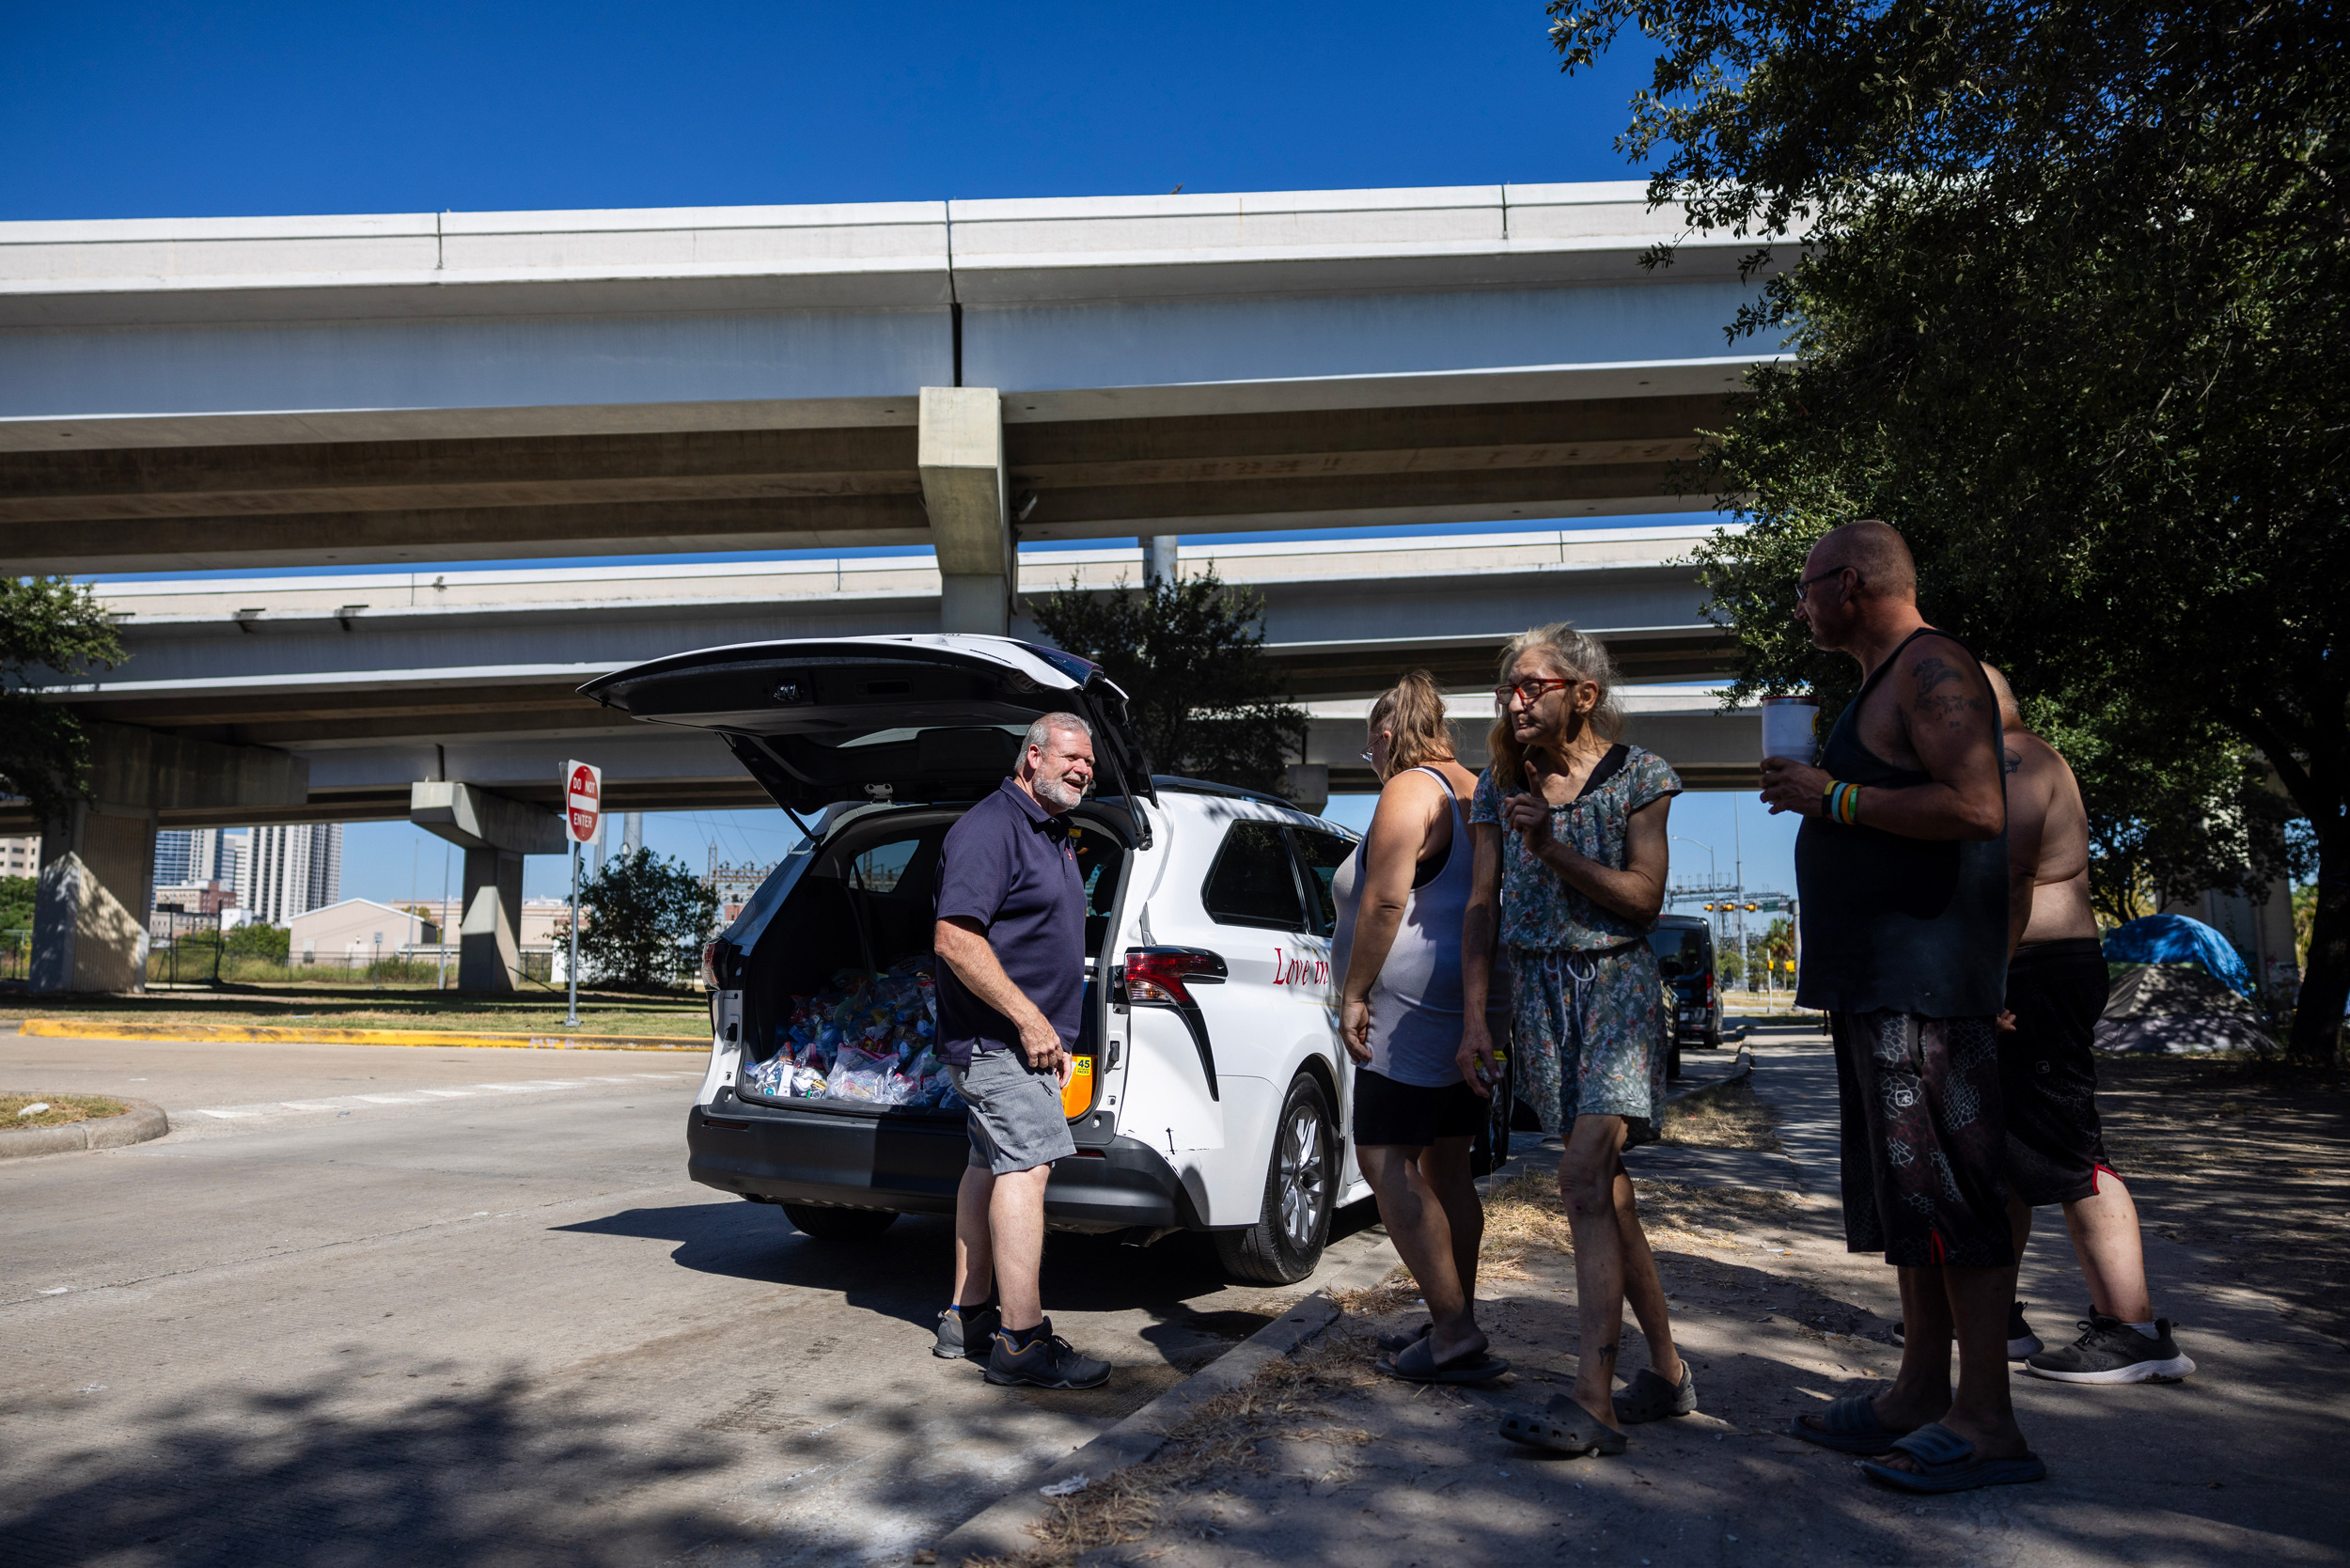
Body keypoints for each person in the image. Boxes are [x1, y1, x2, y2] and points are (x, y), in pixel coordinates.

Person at [1765, 520, 2042, 1494]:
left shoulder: (1934, 668)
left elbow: (1976, 806)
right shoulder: (1881, 684)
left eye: (1807, 587)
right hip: (1877, 989)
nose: (1800, 605)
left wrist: (1830, 799)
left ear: (1851, 582)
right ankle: (1919, 1389)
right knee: (1908, 1203)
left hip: (1921, 988)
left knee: (1952, 1197)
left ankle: (1987, 1421)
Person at [1460, 624, 1694, 1458]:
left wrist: (1549, 846)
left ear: (1583, 695)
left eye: (1531, 686)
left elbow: (1643, 900)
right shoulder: (1497, 783)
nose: (1512, 700)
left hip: (1616, 988)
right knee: (1608, 1191)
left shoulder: (1642, 777)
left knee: (1582, 1174)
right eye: (1508, 688)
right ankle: (1665, 1373)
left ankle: (1593, 1398)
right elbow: (1481, 906)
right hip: (1539, 996)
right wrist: (1478, 1016)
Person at [1984, 666, 2195, 1384]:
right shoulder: (2006, 759)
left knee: (2071, 1152)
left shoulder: (2017, 758)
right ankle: (1994, 1317)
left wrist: (1986, 978)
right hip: (2029, 965)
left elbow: (2013, 876)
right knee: (2004, 1153)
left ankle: (2134, 1330)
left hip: (2038, 969)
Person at [1333, 672, 1510, 1384]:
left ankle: (1455, 1328)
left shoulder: (1409, 789)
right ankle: (1451, 1312)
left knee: (1383, 1159)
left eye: (1370, 749)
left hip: (1410, 1011)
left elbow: (1383, 903)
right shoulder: (1476, 785)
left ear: (1384, 736)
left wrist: (1354, 991)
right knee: (1447, 1159)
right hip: (1474, 1002)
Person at [930, 712, 1111, 1390]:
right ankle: (1021, 1340)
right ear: (1031, 757)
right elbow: (955, 938)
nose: (1083, 769)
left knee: (989, 1164)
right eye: (1070, 756)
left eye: (1089, 762)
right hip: (1000, 1043)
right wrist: (1032, 1022)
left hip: (1019, 1044)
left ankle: (968, 1317)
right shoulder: (992, 827)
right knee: (1028, 1169)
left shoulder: (1048, 830)